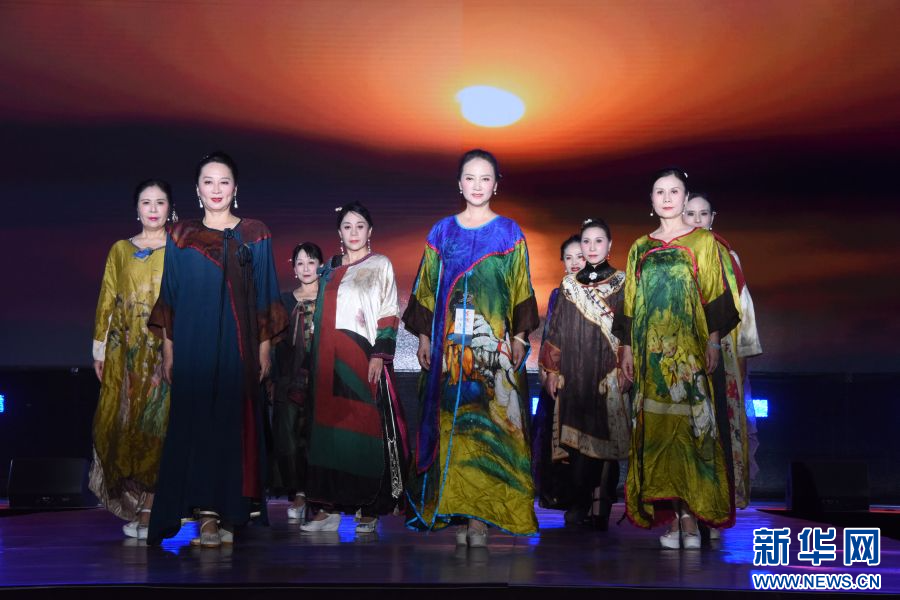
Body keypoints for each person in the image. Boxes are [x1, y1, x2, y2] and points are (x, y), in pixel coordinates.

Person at [147, 152, 288, 547]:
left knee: (233, 427)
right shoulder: (181, 235)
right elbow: (170, 296)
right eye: (208, 182)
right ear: (197, 189)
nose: (216, 189)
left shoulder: (255, 233)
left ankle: (232, 513)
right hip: (193, 349)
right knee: (199, 429)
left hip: (238, 352)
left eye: (223, 181)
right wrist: (169, 353)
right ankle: (207, 516)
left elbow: (266, 295)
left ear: (235, 188)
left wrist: (264, 350)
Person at [404, 149, 540, 547]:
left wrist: (519, 338)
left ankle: (481, 519)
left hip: (493, 352)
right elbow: (425, 287)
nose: (477, 185)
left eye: (485, 178)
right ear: (459, 183)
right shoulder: (441, 232)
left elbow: (521, 286)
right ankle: (456, 510)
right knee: (453, 427)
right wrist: (424, 337)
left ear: (496, 184)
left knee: (493, 429)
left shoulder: (510, 233)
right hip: (448, 352)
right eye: (470, 177)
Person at [614, 168, 739, 549]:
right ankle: (673, 518)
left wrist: (713, 343)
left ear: (685, 198)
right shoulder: (640, 247)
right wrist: (627, 349)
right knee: (658, 434)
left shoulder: (703, 241)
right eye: (660, 192)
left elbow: (714, 294)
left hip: (688, 356)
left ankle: (693, 516)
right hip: (650, 357)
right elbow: (630, 304)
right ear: (651, 200)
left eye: (674, 191)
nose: (667, 198)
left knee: (693, 431)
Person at [300, 203, 409, 534]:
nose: (354, 232)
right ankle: (329, 508)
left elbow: (389, 310)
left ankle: (369, 506)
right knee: (330, 434)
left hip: (363, 355)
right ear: (339, 232)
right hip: (327, 359)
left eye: (360, 226)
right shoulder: (329, 270)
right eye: (347, 226)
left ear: (370, 230)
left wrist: (379, 354)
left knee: (364, 428)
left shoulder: (380, 264)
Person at [89, 179, 175, 540]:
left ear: (170, 208)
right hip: (125, 352)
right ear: (136, 208)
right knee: (123, 424)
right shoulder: (120, 250)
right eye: (146, 202)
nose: (153, 209)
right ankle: (140, 502)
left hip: (166, 349)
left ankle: (151, 507)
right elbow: (107, 297)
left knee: (159, 425)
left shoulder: (180, 249)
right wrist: (99, 349)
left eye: (160, 202)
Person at [539, 219, 630, 531]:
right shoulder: (570, 285)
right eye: (586, 241)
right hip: (575, 373)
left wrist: (625, 366)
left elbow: (628, 329)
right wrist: (552, 370)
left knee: (607, 441)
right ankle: (578, 502)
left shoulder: (622, 282)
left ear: (610, 245)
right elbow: (557, 330)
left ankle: (601, 504)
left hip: (608, 373)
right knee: (578, 443)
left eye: (598, 241)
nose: (592, 248)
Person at [684, 192, 763, 526]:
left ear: (712, 217)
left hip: (725, 348)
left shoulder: (727, 255)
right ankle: (687, 508)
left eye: (703, 214)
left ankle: (716, 509)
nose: (697, 220)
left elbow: (743, 305)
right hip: (684, 348)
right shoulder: (672, 253)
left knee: (721, 426)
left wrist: (744, 351)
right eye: (690, 213)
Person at [269, 242, 323, 525]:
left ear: (320, 266)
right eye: (300, 263)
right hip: (290, 378)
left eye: (311, 262)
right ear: (293, 269)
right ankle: (299, 494)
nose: (306, 268)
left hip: (322, 377)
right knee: (289, 437)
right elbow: (275, 343)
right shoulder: (283, 301)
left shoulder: (330, 299)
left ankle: (320, 496)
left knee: (317, 438)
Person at [532, 234, 584, 509]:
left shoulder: (604, 293)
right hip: (561, 375)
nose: (574, 263)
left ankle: (589, 501)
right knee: (556, 435)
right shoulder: (558, 294)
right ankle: (561, 495)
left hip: (591, 376)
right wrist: (547, 371)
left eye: (580, 257)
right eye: (568, 257)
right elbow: (550, 335)